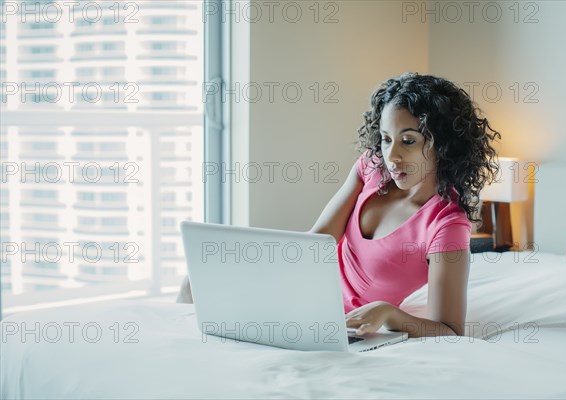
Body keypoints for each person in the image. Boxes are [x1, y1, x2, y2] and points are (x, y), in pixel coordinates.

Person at [177, 72, 500, 339]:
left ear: (442, 144)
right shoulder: (371, 167)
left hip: (337, 324)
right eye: (386, 139)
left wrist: (391, 314)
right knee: (196, 281)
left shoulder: (446, 224)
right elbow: (318, 240)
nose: (392, 156)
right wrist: (260, 266)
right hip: (300, 290)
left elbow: (450, 328)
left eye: (409, 140)